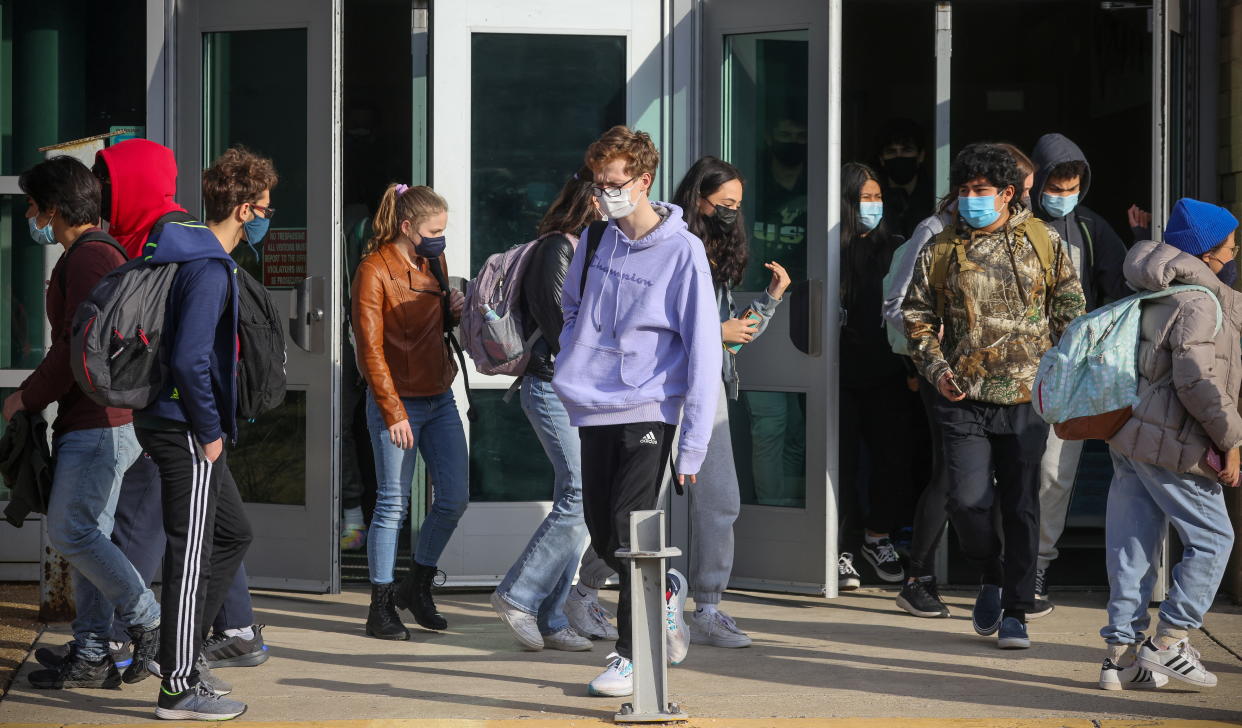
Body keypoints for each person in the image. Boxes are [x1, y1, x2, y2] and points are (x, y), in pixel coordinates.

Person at [553, 126, 721, 697]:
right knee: (603, 538)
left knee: (629, 528)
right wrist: (579, 353)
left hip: (651, 406)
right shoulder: (597, 239)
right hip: (594, 403)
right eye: (596, 183)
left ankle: (631, 654)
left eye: (613, 183)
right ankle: (666, 587)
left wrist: (693, 444)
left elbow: (703, 350)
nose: (602, 193)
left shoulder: (683, 251)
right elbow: (572, 304)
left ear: (644, 180)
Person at [902, 143, 1085, 650]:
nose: (969, 199)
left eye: (980, 191)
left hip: (1028, 398)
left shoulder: (1044, 241)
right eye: (963, 190)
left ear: (1007, 194)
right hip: (960, 396)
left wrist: (1065, 379)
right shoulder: (940, 248)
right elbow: (915, 316)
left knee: (1022, 505)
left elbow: (1071, 310)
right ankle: (993, 572)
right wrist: (937, 370)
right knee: (966, 500)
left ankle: (1017, 612)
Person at [2, 157, 158, 690]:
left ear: (53, 208)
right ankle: (92, 651)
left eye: (32, 205)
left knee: (73, 530)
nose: (29, 216)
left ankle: (150, 623)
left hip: (100, 422)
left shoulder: (91, 256)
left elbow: (77, 344)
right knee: (93, 537)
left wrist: (27, 396)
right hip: (97, 420)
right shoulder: (90, 253)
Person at [134, 147, 274, 720]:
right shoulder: (210, 268)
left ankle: (182, 655)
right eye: (264, 206)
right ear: (243, 210)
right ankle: (178, 687)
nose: (268, 215)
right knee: (189, 557)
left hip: (173, 423)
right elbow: (192, 359)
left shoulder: (184, 252)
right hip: (184, 429)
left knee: (231, 534)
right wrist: (211, 431)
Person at [882, 142, 1034, 618]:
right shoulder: (937, 233)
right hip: (949, 379)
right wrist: (932, 359)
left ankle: (1011, 592)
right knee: (956, 483)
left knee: (1012, 493)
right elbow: (900, 306)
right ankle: (920, 576)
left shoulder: (1036, 240)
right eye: (966, 190)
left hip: (1016, 387)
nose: (1027, 199)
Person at [1099, 198, 1240, 691]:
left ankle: (1119, 657)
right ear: (1206, 250)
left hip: (1130, 436)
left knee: (1132, 546)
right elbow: (1199, 381)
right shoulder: (1200, 301)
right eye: (1228, 242)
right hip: (1174, 442)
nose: (1235, 248)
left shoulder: (1150, 288)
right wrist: (1231, 441)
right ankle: (1169, 642)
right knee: (1215, 538)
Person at [671, 156, 790, 647]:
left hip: (708, 388)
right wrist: (715, 332)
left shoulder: (714, 251)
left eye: (737, 206)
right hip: (662, 389)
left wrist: (769, 301)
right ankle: (586, 591)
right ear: (699, 198)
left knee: (721, 501)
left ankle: (709, 608)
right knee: (635, 500)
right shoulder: (669, 244)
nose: (731, 214)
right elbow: (653, 325)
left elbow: (730, 341)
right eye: (724, 204)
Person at [489, 169, 599, 654]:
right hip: (552, 386)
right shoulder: (559, 247)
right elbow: (563, 329)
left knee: (580, 501)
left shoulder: (588, 249)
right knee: (579, 495)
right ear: (591, 202)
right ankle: (519, 595)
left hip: (575, 391)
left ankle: (553, 617)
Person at [351, 184, 468, 641]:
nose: (441, 238)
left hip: (439, 394)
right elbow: (370, 349)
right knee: (392, 505)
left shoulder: (431, 261)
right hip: (396, 401)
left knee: (454, 497)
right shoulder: (373, 270)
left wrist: (453, 311)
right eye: (434, 230)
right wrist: (392, 409)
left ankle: (416, 585)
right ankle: (380, 608)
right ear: (406, 226)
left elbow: (431, 326)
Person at [1028, 133, 1131, 618]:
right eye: (1056, 183)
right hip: (1013, 369)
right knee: (1001, 471)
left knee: (1055, 473)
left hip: (1069, 375)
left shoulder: (1091, 228)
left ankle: (1035, 565)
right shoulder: (1016, 226)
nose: (1063, 193)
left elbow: (1119, 290)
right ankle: (1002, 566)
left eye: (1072, 184)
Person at [836, 162, 910, 586]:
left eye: (877, 197)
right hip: (837, 373)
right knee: (841, 463)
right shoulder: (831, 248)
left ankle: (877, 536)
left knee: (891, 459)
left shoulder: (896, 246)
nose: (873, 205)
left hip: (888, 373)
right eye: (864, 198)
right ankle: (841, 545)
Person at [747, 115, 808, 290]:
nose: (794, 142)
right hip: (752, 289)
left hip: (804, 292)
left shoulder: (819, 188)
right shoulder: (753, 183)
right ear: (769, 137)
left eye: (801, 136)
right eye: (785, 135)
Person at [875, 118, 935, 239]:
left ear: (920, 156)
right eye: (891, 151)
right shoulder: (873, 199)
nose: (899, 157)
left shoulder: (935, 197)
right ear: (881, 159)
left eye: (906, 150)